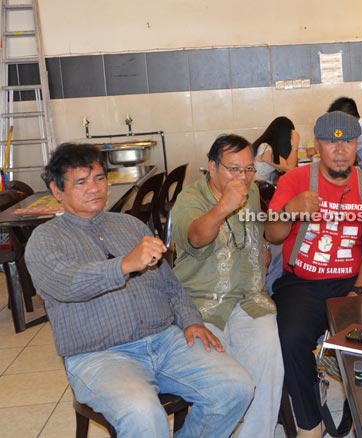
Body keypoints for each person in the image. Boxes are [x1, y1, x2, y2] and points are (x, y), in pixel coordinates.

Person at [24, 143, 253, 438]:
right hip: (100, 356)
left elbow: (170, 285)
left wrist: (190, 319)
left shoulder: (130, 225)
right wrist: (124, 264)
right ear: (57, 190)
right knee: (142, 413)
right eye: (81, 182)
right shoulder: (44, 240)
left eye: (99, 178)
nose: (94, 188)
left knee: (237, 386)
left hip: (165, 341)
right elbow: (66, 283)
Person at [265, 111, 362, 437]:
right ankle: (309, 423)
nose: (339, 149)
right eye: (330, 141)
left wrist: (359, 291)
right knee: (290, 338)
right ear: (317, 144)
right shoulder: (294, 181)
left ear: (357, 145)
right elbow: (273, 235)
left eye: (347, 141)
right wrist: (291, 209)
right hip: (301, 283)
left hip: (352, 281)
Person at [171, 134, 284, 437]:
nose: (244, 177)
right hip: (203, 304)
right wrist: (223, 207)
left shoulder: (253, 193)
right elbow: (196, 237)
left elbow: (260, 235)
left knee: (269, 359)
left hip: (250, 299)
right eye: (234, 169)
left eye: (249, 169)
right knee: (223, 374)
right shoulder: (190, 198)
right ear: (211, 166)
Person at [253, 116, 300, 184]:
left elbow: (293, 168)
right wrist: (295, 143)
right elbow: (290, 169)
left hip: (266, 186)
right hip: (259, 189)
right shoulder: (265, 148)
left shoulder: (272, 147)